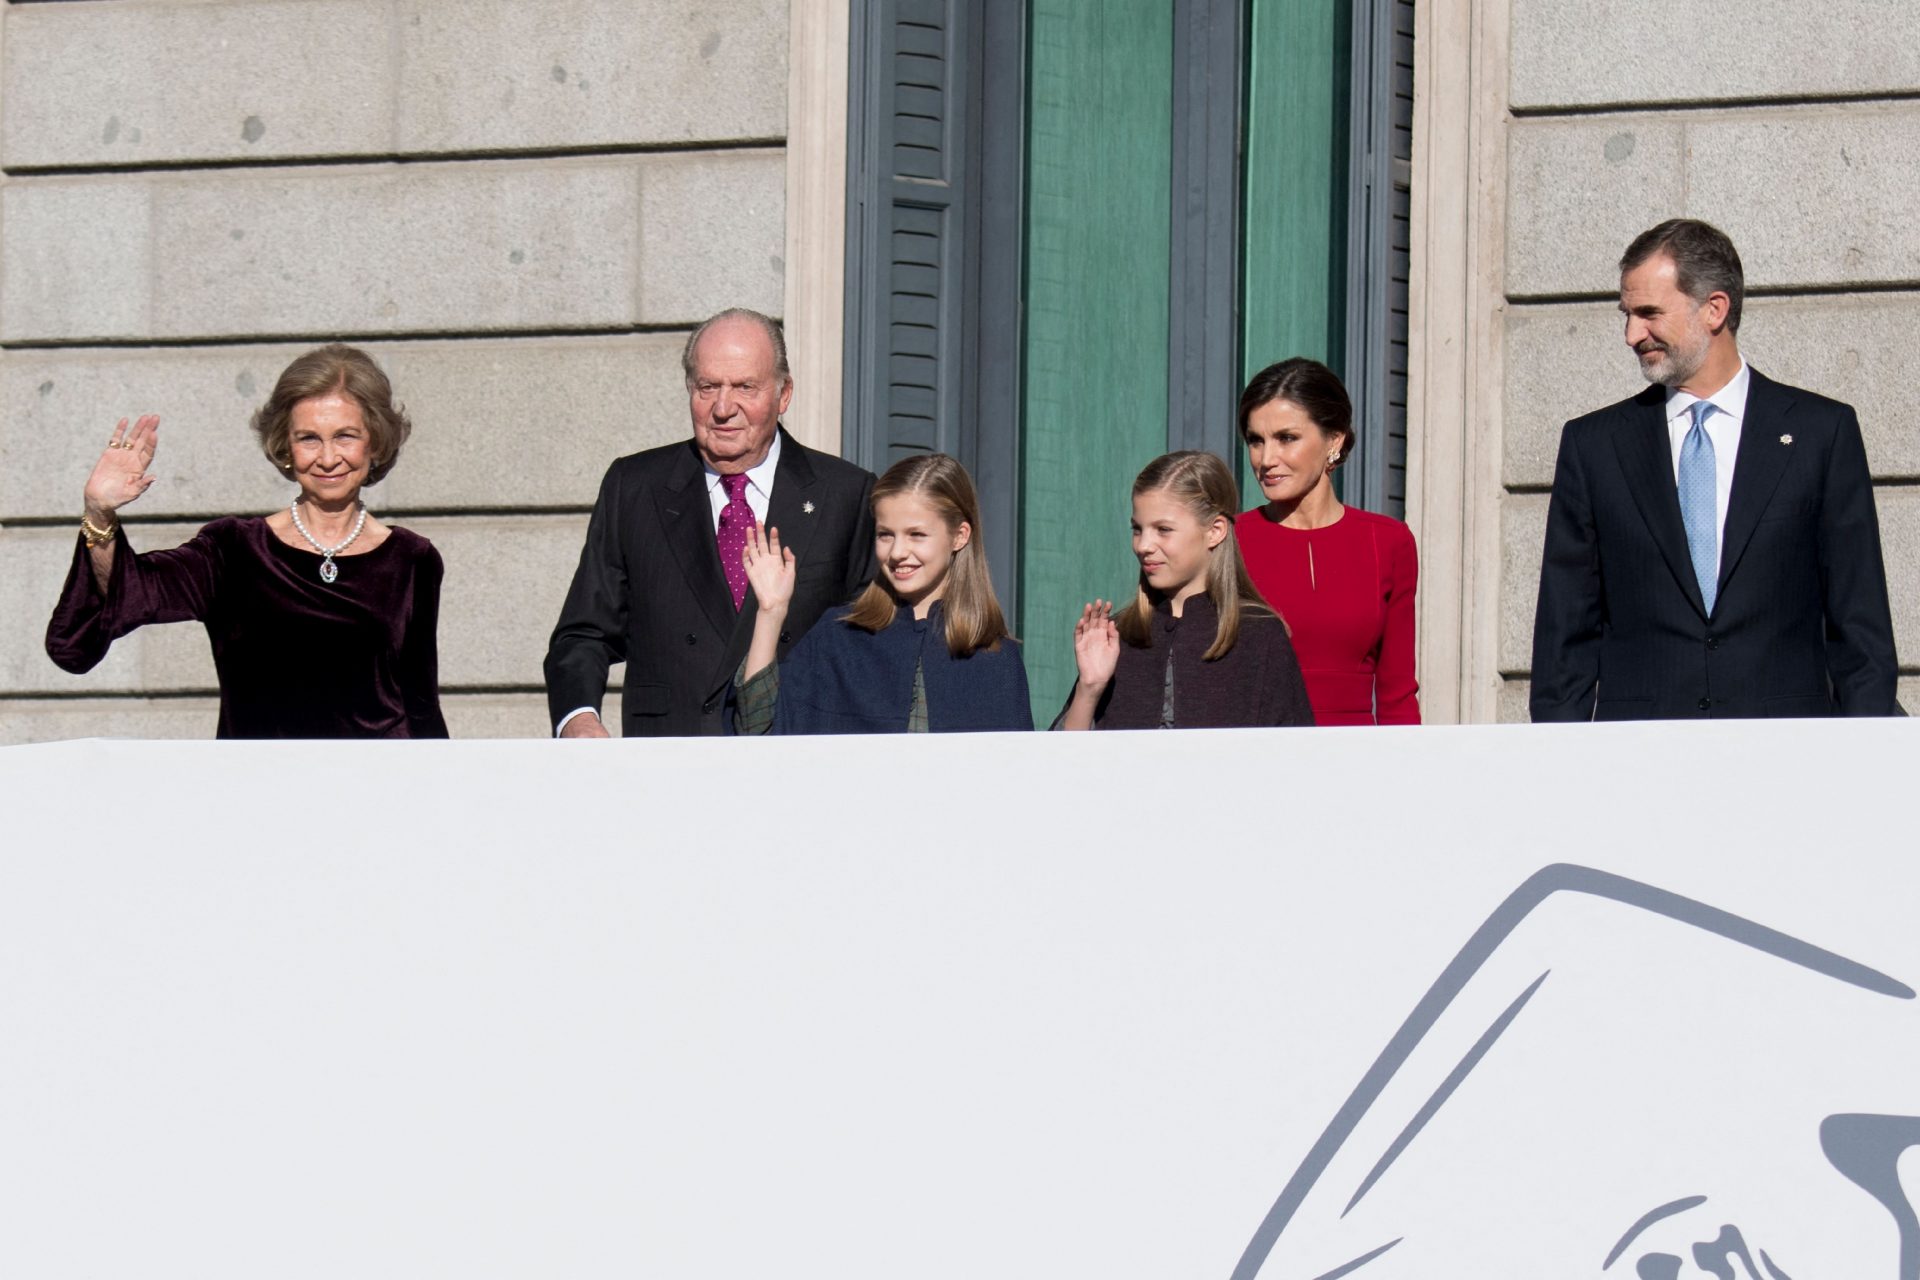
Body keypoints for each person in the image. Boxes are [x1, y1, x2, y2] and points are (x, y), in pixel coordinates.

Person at [1530, 219, 1897, 720]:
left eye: (1649, 313)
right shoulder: (1595, 446)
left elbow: (1861, 626)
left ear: (1714, 309)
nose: (1632, 333)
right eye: (1628, 314)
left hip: (1787, 757)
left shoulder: (1820, 433)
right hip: (1640, 758)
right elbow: (1564, 640)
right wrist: (1561, 767)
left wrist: (1866, 761)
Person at [44, 345, 448, 738]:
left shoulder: (413, 558)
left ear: (374, 443)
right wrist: (99, 512)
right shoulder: (233, 550)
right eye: (309, 438)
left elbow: (421, 703)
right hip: (257, 793)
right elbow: (131, 591)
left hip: (376, 793)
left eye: (345, 436)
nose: (327, 458)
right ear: (285, 447)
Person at [544, 308, 878, 737]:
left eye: (744, 387)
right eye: (707, 387)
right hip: (669, 756)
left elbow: (869, 643)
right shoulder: (635, 487)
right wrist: (578, 718)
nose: (723, 407)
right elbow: (583, 633)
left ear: (784, 394)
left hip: (794, 757)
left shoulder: (845, 494)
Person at [731, 453, 1030, 734]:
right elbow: (758, 730)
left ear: (960, 536)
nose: (898, 552)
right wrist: (770, 612)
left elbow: (1026, 775)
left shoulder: (998, 660)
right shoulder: (837, 637)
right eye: (885, 535)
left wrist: (1081, 690)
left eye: (917, 534)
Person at [1058, 450, 1313, 730]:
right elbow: (1060, 766)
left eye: (1163, 529)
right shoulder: (1119, 636)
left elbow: (1294, 759)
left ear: (1215, 531)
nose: (1144, 545)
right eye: (1137, 529)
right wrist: (1089, 688)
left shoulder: (1259, 636)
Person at [1233, 357, 1420, 725]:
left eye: (1287, 438)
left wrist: (1407, 775)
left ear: (1334, 439)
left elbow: (1398, 695)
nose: (1267, 459)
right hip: (1254, 762)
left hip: (1356, 765)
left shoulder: (1388, 542)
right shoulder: (1227, 541)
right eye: (1256, 440)